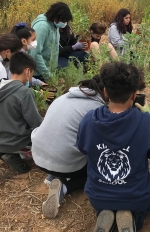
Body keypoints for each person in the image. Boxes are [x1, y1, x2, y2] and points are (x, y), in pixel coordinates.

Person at [77, 62, 150, 232]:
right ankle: (134, 219)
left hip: (97, 196)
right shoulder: (146, 122)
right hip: (136, 197)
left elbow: (82, 148)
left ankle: (105, 214)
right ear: (134, 94)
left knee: (106, 203)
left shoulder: (88, 119)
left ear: (106, 92)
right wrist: (148, 116)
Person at [32, 75, 106, 219]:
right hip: (65, 163)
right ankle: (64, 186)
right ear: (105, 92)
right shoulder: (97, 108)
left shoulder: (64, 97)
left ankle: (54, 173)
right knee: (99, 168)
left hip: (38, 156)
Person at [0, 52, 43, 173]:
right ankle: (14, 153)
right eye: (32, 74)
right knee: (43, 142)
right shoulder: (23, 92)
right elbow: (35, 122)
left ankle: (3, 150)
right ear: (27, 71)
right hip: (15, 141)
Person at [29, 2, 73, 81]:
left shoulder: (54, 26)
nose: (64, 23)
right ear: (55, 16)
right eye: (63, 20)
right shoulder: (42, 27)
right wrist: (47, 75)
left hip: (48, 71)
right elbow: (35, 53)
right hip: (37, 74)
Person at [9, 22, 44, 87]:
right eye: (33, 39)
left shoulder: (22, 54)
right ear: (24, 41)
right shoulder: (18, 58)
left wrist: (39, 83)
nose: (35, 42)